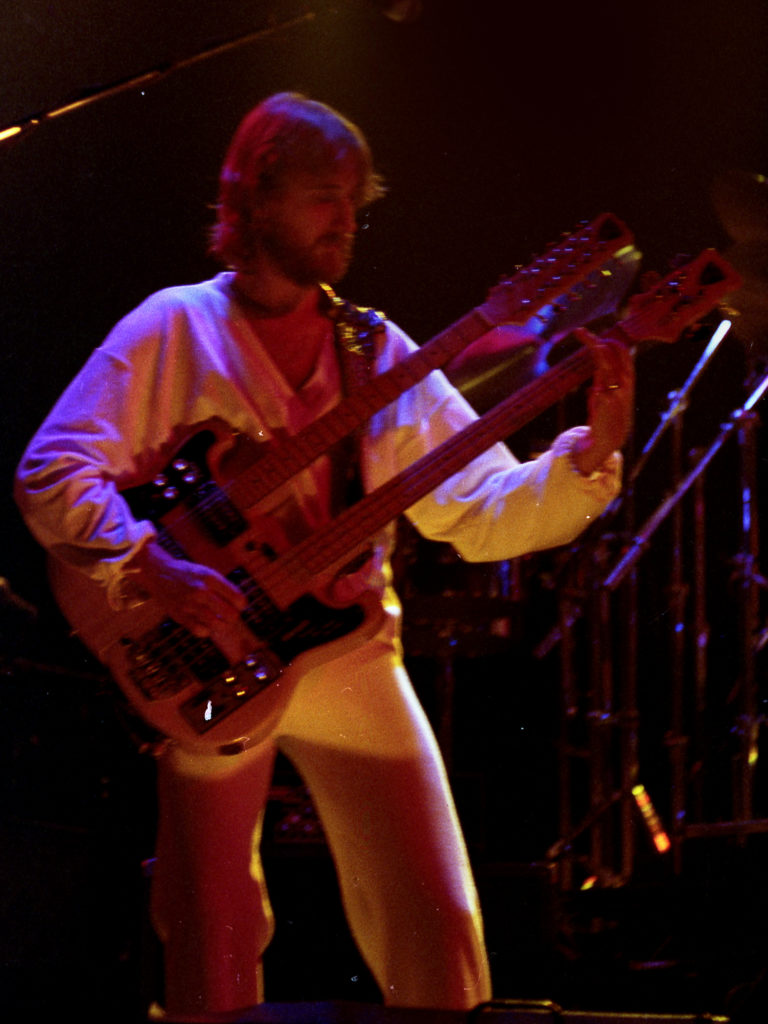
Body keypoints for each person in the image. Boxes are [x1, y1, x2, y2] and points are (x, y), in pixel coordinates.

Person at [14, 92, 633, 1018]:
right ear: (256, 196)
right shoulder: (175, 327)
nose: (345, 219)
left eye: (353, 199)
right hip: (203, 651)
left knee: (437, 917)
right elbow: (51, 470)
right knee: (212, 925)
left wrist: (589, 455)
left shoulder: (375, 348)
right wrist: (148, 564)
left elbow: (476, 510)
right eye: (322, 196)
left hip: (346, 650)